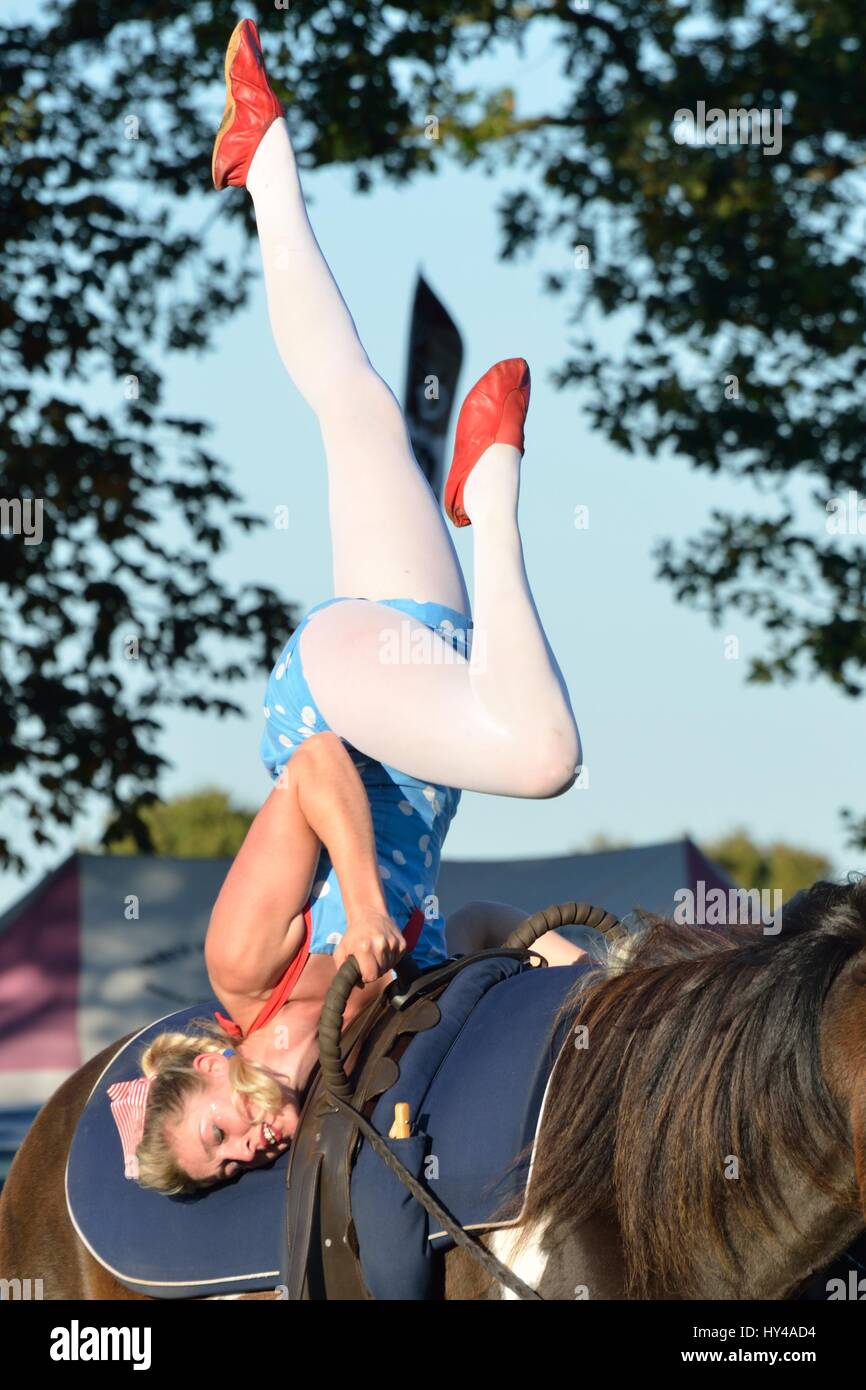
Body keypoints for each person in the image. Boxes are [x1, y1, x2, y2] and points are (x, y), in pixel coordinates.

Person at [107, 18, 584, 1196]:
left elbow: (313, 765)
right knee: (357, 404)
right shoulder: (337, 1043)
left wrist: (361, 901)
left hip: (340, 693)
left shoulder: (238, 967)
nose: (248, 1151)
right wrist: (550, 948)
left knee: (545, 754)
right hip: (411, 677)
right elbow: (454, 917)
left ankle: (493, 491)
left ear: (206, 1070)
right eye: (232, 1172)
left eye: (218, 1137)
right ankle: (259, 154)